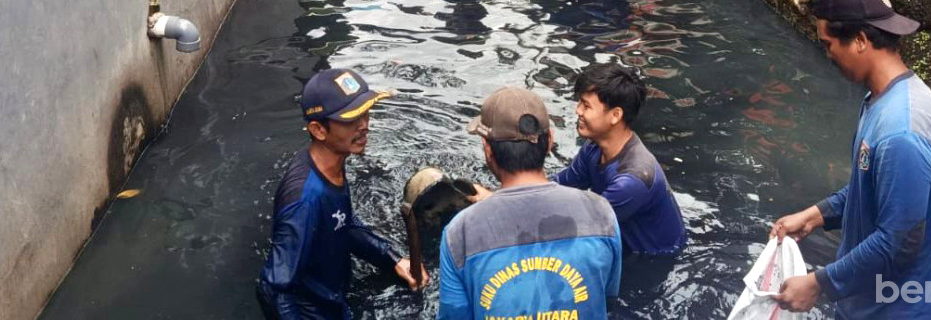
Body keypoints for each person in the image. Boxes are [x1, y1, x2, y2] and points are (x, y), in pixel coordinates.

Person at [771, 0, 931, 317]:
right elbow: (876, 190)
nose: (828, 55)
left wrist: (819, 283)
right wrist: (816, 215)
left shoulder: (902, 132)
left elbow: (898, 242)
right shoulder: (884, 99)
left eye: (828, 44)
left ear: (861, 40)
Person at [437, 86, 622, 320]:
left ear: (488, 150)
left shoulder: (459, 233)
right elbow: (606, 298)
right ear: (549, 142)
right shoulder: (601, 213)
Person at [257, 68, 422, 319]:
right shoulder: (305, 200)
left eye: (365, 113)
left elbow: (343, 223)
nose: (364, 125)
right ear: (319, 130)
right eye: (350, 119)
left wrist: (392, 258)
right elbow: (273, 288)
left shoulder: (330, 163)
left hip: (336, 297)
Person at [553, 64, 687, 256]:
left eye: (586, 105)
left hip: (654, 261)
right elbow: (561, 185)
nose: (578, 111)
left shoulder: (632, 180)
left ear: (615, 115)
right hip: (623, 242)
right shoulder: (594, 147)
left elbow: (581, 226)